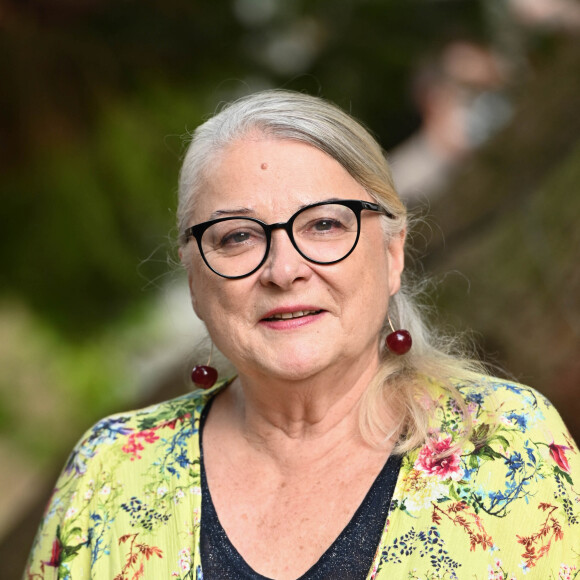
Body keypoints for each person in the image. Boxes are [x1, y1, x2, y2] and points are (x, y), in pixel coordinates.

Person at [25, 90, 579, 580]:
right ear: (195, 279)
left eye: (324, 225)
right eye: (238, 236)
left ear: (391, 254)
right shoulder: (110, 469)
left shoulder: (507, 445)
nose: (284, 270)